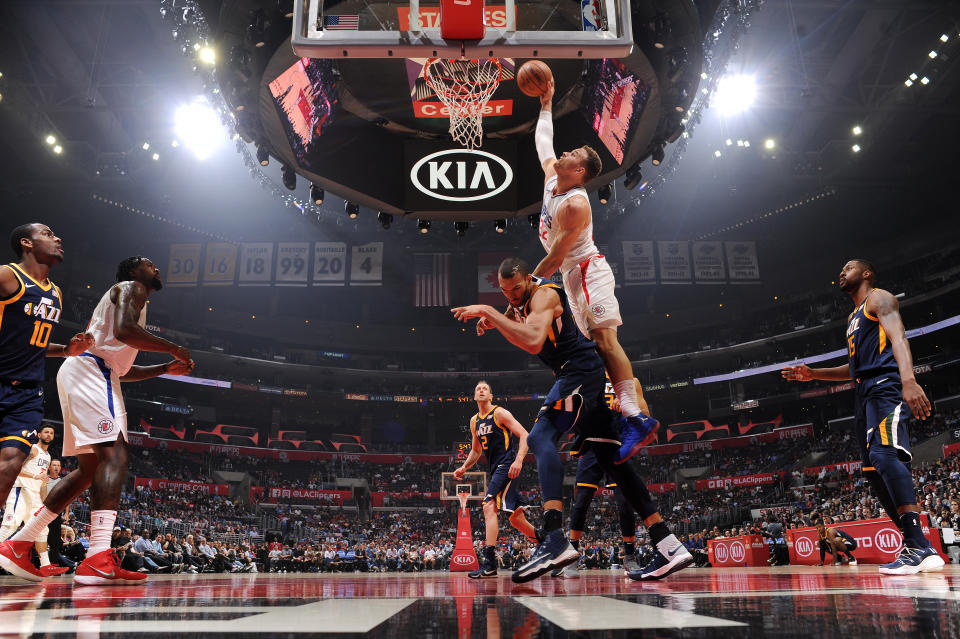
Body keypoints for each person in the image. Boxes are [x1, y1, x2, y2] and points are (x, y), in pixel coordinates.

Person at [452, 257, 693, 582]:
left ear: (528, 281)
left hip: (579, 371)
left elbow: (534, 339)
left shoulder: (545, 295)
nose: (511, 296)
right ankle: (667, 543)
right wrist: (494, 320)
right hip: (580, 375)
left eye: (516, 288)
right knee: (612, 463)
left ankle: (553, 537)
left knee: (538, 437)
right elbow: (514, 315)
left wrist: (488, 312)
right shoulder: (518, 301)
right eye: (505, 291)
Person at [0, 256, 195, 584]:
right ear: (135, 272)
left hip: (98, 374)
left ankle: (19, 543)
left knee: (90, 470)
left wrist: (164, 368)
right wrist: (173, 348)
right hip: (91, 372)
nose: (156, 268)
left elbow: (121, 369)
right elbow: (124, 332)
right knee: (115, 456)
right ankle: (98, 557)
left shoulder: (130, 300)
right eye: (149, 264)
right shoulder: (130, 288)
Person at [782, 259, 944, 575]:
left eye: (849, 267)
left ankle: (917, 545)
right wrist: (814, 374)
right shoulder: (852, 318)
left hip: (886, 385)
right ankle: (917, 545)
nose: (841, 272)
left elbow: (899, 338)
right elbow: (853, 369)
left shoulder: (879, 298)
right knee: (872, 471)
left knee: (884, 457)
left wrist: (908, 380)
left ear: (867, 274)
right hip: (864, 392)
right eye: (840, 269)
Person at [527, 79, 658, 463]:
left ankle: (636, 418)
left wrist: (529, 287)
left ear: (580, 170)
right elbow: (543, 142)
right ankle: (606, 420)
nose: (563, 153)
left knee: (604, 340)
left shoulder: (576, 206)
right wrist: (546, 104)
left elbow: (553, 257)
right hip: (572, 279)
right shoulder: (554, 176)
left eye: (573, 154)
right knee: (592, 354)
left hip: (588, 271)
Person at [1, 223, 92, 542]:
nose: (58, 238)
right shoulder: (7, 276)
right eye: (48, 234)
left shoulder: (56, 293)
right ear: (27, 243)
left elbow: (37, 344)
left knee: (10, 461)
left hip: (27, 393)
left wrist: (67, 350)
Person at [553, 376, 647, 578]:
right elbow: (570, 414)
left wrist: (628, 407)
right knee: (581, 502)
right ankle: (571, 557)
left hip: (618, 444)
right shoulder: (585, 378)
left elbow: (645, 416)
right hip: (591, 444)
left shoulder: (629, 381)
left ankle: (629, 556)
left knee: (625, 503)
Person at [453, 380, 538, 578]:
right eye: (478, 389)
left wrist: (518, 460)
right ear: (474, 396)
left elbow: (525, 435)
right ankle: (549, 545)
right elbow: (476, 450)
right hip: (497, 469)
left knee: (488, 505)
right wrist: (464, 467)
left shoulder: (500, 413)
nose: (481, 391)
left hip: (507, 464)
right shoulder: (475, 421)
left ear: (491, 396)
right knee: (516, 519)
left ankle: (489, 563)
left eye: (485, 389)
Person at [0, 424, 68, 576]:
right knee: (11, 524)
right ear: (39, 435)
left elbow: (42, 481)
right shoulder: (33, 449)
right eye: (46, 432)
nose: (49, 435)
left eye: (51, 433)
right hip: (21, 490)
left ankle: (45, 565)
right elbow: (15, 467)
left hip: (35, 495)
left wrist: (43, 500)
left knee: (42, 529)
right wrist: (33, 477)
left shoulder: (48, 456)